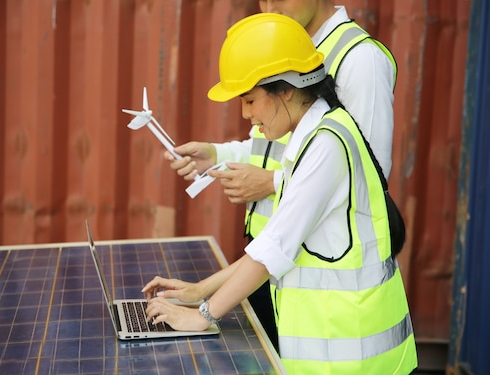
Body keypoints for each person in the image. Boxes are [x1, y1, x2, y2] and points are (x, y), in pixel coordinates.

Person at [143, 13, 417, 374]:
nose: (245, 114)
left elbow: (273, 249)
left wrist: (203, 315)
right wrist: (198, 292)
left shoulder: (327, 146)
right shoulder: (312, 137)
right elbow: (275, 243)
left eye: (251, 100)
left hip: (361, 365)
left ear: (286, 89)